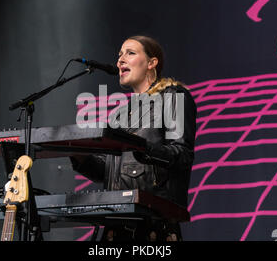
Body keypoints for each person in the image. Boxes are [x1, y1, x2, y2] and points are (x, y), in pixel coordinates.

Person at [70, 35, 197, 241]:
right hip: (116, 223)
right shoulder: (119, 114)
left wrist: (141, 148)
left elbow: (182, 155)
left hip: (153, 224)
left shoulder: (173, 97)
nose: (120, 60)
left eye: (130, 53)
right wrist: (78, 154)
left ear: (151, 63)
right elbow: (108, 172)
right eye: (119, 55)